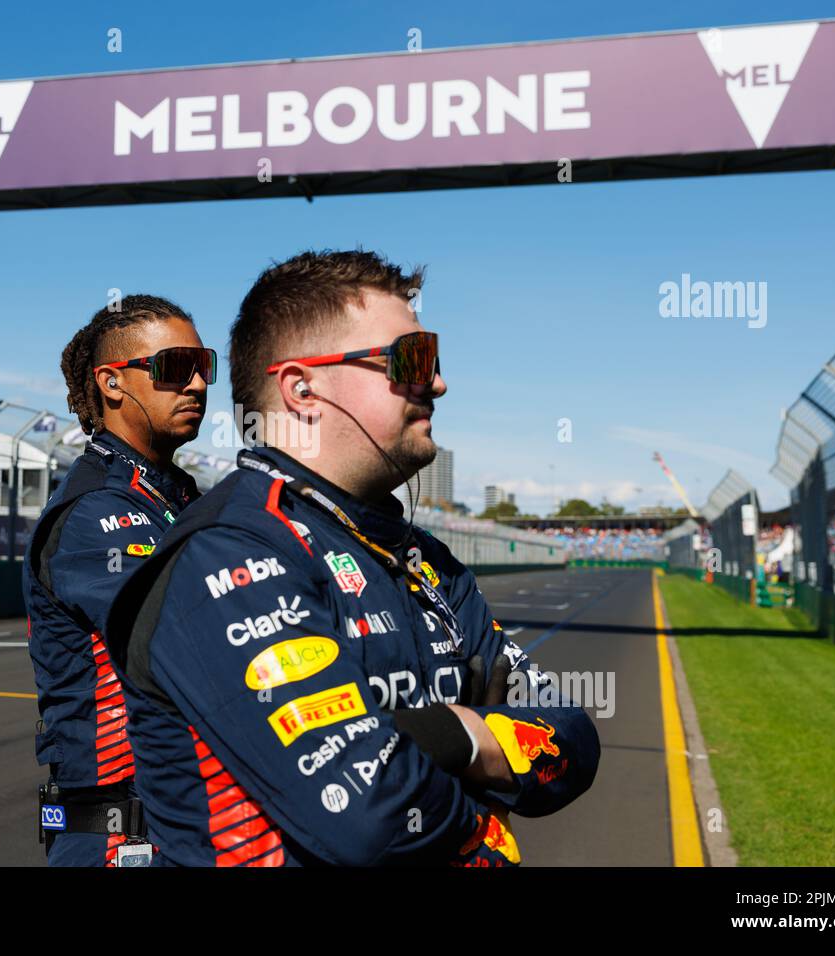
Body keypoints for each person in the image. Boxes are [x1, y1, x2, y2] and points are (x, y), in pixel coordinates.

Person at [105, 250, 599, 866]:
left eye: (435, 360)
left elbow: (573, 737)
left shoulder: (427, 560)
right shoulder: (226, 553)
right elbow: (370, 814)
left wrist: (445, 737)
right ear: (302, 388)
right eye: (412, 360)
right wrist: (478, 739)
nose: (438, 382)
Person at [24, 294, 214, 866]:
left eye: (205, 366)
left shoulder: (177, 497)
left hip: (183, 828)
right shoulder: (94, 513)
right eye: (176, 368)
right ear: (112, 383)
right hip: (118, 840)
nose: (199, 384)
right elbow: (196, 643)